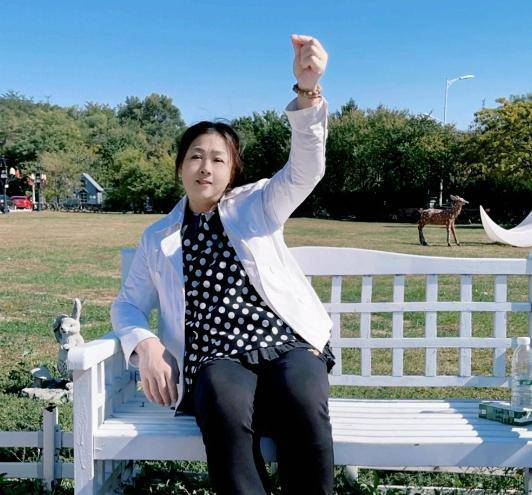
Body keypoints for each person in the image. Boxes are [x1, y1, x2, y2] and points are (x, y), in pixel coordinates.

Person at [111, 33, 335, 494]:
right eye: (196, 156)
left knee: (303, 397)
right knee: (222, 405)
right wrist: (147, 346)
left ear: (232, 172)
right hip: (215, 355)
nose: (206, 167)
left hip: (286, 343)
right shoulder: (158, 237)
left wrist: (308, 92)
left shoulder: (258, 204)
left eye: (218, 159)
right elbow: (128, 305)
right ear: (180, 166)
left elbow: (305, 169)